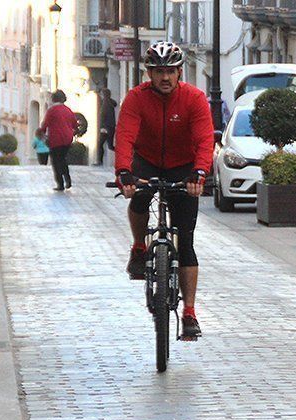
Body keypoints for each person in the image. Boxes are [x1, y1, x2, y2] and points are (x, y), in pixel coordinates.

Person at [114, 41, 214, 339]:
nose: (165, 78)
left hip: (183, 166)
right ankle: (138, 246)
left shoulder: (194, 99)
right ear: (149, 73)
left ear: (179, 72)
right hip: (146, 161)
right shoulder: (136, 99)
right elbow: (125, 136)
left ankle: (190, 312)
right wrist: (124, 172)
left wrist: (199, 173)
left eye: (170, 71)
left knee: (186, 241)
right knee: (139, 198)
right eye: (159, 72)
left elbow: (204, 140)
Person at [39, 90, 78, 191]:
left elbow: (45, 125)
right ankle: (68, 179)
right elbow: (75, 124)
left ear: (53, 98)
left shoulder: (52, 110)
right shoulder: (68, 110)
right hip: (67, 139)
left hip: (56, 139)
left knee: (56, 161)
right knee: (63, 159)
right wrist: (72, 133)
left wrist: (42, 134)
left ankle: (60, 184)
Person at [96, 88, 117, 166]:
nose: (101, 96)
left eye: (101, 94)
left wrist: (103, 127)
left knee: (100, 144)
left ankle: (100, 161)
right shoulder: (110, 103)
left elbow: (104, 117)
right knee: (110, 146)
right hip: (111, 127)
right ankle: (125, 155)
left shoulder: (105, 104)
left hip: (106, 128)